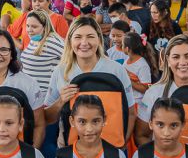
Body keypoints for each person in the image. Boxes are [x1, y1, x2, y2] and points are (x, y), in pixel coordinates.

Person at [46, 17, 134, 146]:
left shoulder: (116, 70)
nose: (84, 42)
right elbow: (48, 118)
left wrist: (122, 143)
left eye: (90, 36)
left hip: (110, 148)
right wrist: (61, 101)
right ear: (70, 40)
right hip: (70, 148)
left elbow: (131, 113)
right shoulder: (60, 71)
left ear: (99, 39)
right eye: (78, 37)